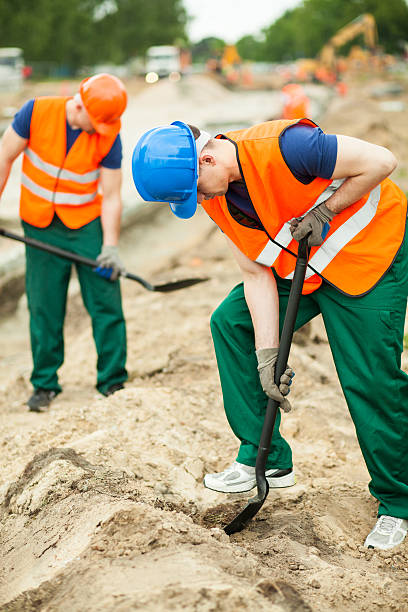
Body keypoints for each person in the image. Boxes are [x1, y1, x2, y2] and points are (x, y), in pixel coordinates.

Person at [131, 118, 408, 551]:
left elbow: (382, 160)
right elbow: (256, 274)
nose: (200, 198)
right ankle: (268, 460)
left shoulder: (289, 147)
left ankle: (398, 503)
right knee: (231, 323)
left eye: (196, 188)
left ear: (206, 158)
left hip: (367, 258)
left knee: (370, 381)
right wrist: (267, 357)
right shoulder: (216, 194)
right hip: (304, 266)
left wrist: (325, 211)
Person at [0, 73, 128, 411]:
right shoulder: (35, 112)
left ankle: (112, 380)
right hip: (40, 225)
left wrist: (110, 246)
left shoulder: (108, 133)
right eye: (96, 123)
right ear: (80, 105)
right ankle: (44, 384)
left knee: (105, 299)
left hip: (86, 226)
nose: (99, 131)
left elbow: (112, 196)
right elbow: (3, 158)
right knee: (44, 305)